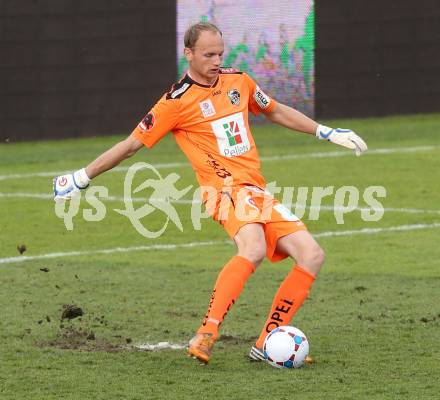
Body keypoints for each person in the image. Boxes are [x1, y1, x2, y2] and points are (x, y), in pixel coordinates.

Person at [53, 22, 367, 364]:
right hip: (223, 190)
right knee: (254, 247)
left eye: (220, 53)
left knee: (312, 255)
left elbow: (273, 109)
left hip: (255, 190)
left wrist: (325, 132)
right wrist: (82, 176)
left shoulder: (239, 81)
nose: (217, 60)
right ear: (188, 54)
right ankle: (206, 333)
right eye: (208, 54)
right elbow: (131, 145)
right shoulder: (175, 102)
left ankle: (266, 343)